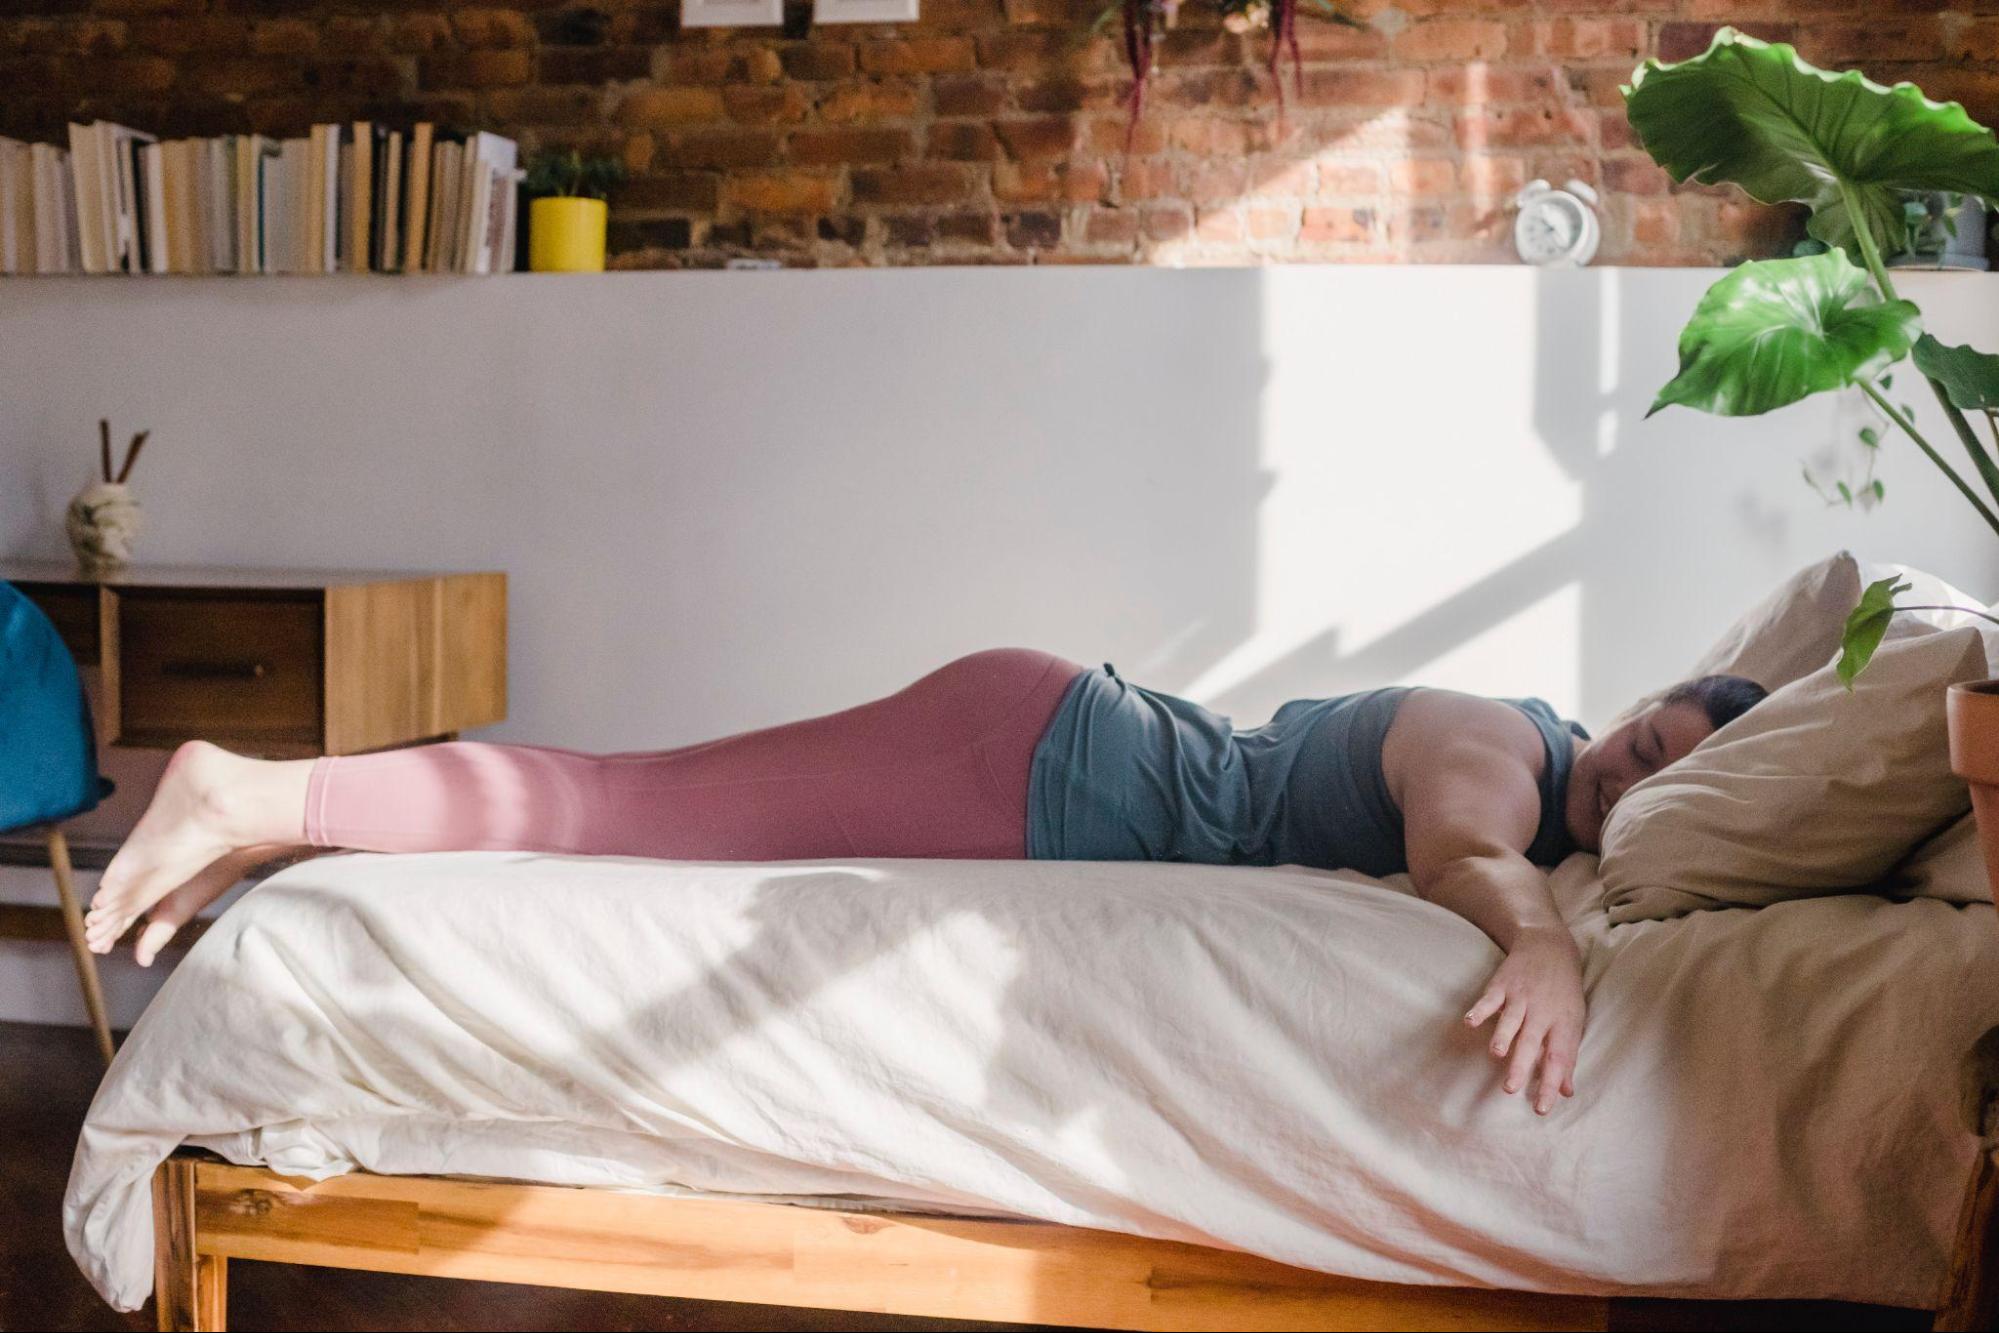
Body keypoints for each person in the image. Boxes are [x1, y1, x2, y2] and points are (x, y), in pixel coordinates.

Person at [84, 646, 1765, 1114]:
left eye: (1669, 775)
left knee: (629, 803)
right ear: (1619, 711)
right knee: (616, 809)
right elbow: (1467, 847)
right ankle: (252, 785)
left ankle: (269, 802)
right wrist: (1538, 948)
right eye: (1644, 738)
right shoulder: (1504, 747)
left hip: (1049, 749)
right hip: (1042, 764)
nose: (1630, 773)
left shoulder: (1562, 793)